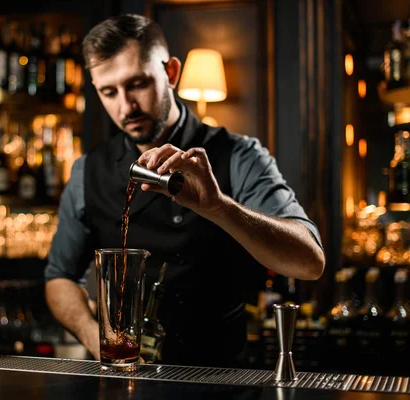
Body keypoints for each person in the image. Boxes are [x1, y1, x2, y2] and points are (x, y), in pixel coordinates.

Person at [43, 13, 325, 367]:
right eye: (108, 92)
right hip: (123, 377)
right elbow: (59, 277)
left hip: (219, 377)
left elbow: (310, 262)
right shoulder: (88, 170)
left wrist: (219, 206)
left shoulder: (239, 155)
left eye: (138, 84)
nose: (125, 106)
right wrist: (93, 336)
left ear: (171, 73)